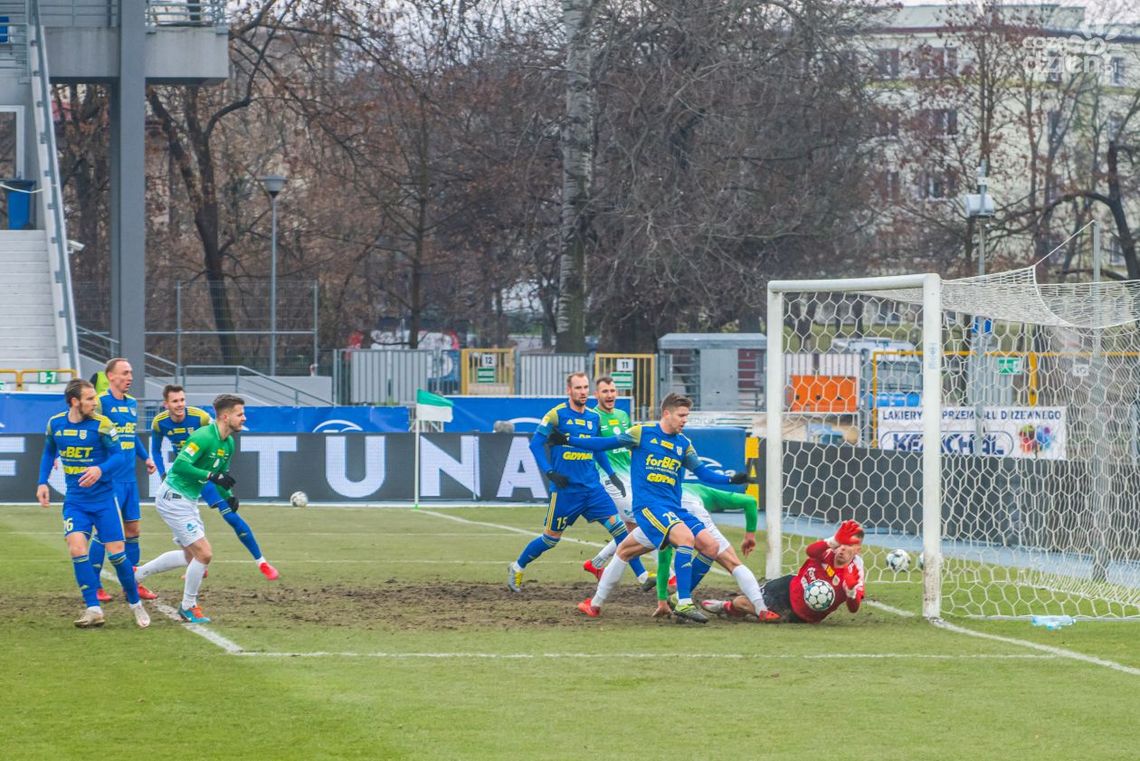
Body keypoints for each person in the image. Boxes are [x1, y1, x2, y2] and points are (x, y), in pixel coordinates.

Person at [550, 392, 751, 623]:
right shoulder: (641, 433)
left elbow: (703, 473)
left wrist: (730, 480)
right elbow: (604, 443)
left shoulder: (684, 444)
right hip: (649, 507)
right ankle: (684, 601)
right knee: (685, 538)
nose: (685, 420)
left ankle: (594, 604)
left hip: (673, 510)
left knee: (708, 546)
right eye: (681, 415)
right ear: (666, 413)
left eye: (687, 416)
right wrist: (568, 439)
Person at [507, 372, 653, 592]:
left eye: (585, 387)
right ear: (569, 390)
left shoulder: (593, 418)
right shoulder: (556, 415)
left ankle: (642, 577)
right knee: (550, 540)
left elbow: (597, 449)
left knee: (620, 530)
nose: (583, 392)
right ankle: (517, 566)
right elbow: (535, 444)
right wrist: (549, 472)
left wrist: (611, 474)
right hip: (566, 491)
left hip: (593, 488)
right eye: (578, 388)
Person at [36, 379, 150, 628]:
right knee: (77, 549)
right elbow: (48, 452)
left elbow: (120, 456)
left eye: (94, 397)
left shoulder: (102, 424)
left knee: (117, 556)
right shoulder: (55, 424)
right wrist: (42, 482)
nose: (94, 402)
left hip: (104, 501)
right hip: (76, 502)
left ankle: (135, 603)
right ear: (74, 401)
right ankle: (93, 608)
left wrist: (100, 469)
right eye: (89, 398)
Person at [134, 393, 245, 624]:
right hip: (174, 497)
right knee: (204, 554)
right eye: (240, 414)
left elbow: (221, 476)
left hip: (188, 499)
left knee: (189, 556)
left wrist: (228, 497)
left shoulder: (228, 443)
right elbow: (181, 466)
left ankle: (135, 577)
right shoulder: (203, 436)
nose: (243, 418)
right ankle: (188, 606)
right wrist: (211, 475)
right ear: (226, 417)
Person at [151, 385, 278, 580]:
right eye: (175, 401)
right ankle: (196, 563)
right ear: (166, 404)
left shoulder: (200, 418)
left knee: (230, 515)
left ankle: (261, 562)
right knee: (191, 534)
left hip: (207, 476)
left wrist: (228, 494)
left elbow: (218, 439)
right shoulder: (159, 422)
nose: (180, 404)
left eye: (182, 400)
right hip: (188, 478)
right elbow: (156, 450)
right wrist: (162, 474)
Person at [648, 484, 776, 622]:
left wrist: (661, 598)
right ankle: (761, 608)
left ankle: (651, 581)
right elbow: (750, 501)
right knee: (732, 563)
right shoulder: (702, 491)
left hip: (655, 515)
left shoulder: (659, 493)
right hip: (690, 511)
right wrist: (750, 535)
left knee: (633, 550)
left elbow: (664, 558)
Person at [700, 519, 866, 623]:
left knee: (770, 617)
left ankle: (734, 607)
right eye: (842, 543)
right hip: (786, 588)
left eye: (849, 545)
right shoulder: (830, 548)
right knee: (745, 603)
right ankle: (728, 607)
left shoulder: (855, 572)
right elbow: (811, 552)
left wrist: (851, 592)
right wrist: (834, 541)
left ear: (858, 549)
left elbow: (853, 608)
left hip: (804, 614)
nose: (842, 548)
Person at [88, 358, 157, 603]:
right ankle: (94, 586)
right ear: (111, 376)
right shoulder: (100, 403)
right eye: (125, 373)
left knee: (133, 530)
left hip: (129, 479)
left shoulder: (132, 403)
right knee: (104, 532)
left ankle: (133, 583)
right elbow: (91, 433)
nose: (130, 377)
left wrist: (146, 457)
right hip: (110, 480)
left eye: (131, 373)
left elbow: (132, 435)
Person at [581, 376, 635, 580]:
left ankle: (596, 563)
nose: (610, 395)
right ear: (596, 394)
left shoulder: (623, 415)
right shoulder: (593, 417)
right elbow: (594, 449)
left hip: (629, 477)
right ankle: (670, 575)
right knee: (645, 524)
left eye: (612, 391)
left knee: (630, 529)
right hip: (610, 480)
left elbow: (631, 445)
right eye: (605, 391)